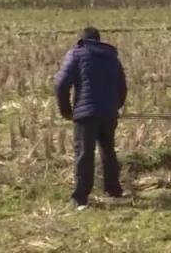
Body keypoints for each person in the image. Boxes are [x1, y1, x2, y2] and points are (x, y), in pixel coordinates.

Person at [53, 27, 127, 210]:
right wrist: (114, 107)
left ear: (82, 40)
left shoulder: (76, 54)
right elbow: (123, 87)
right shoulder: (112, 57)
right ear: (99, 40)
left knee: (84, 153)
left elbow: (60, 84)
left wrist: (66, 110)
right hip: (108, 113)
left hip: (85, 114)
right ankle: (114, 190)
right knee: (108, 150)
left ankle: (80, 198)